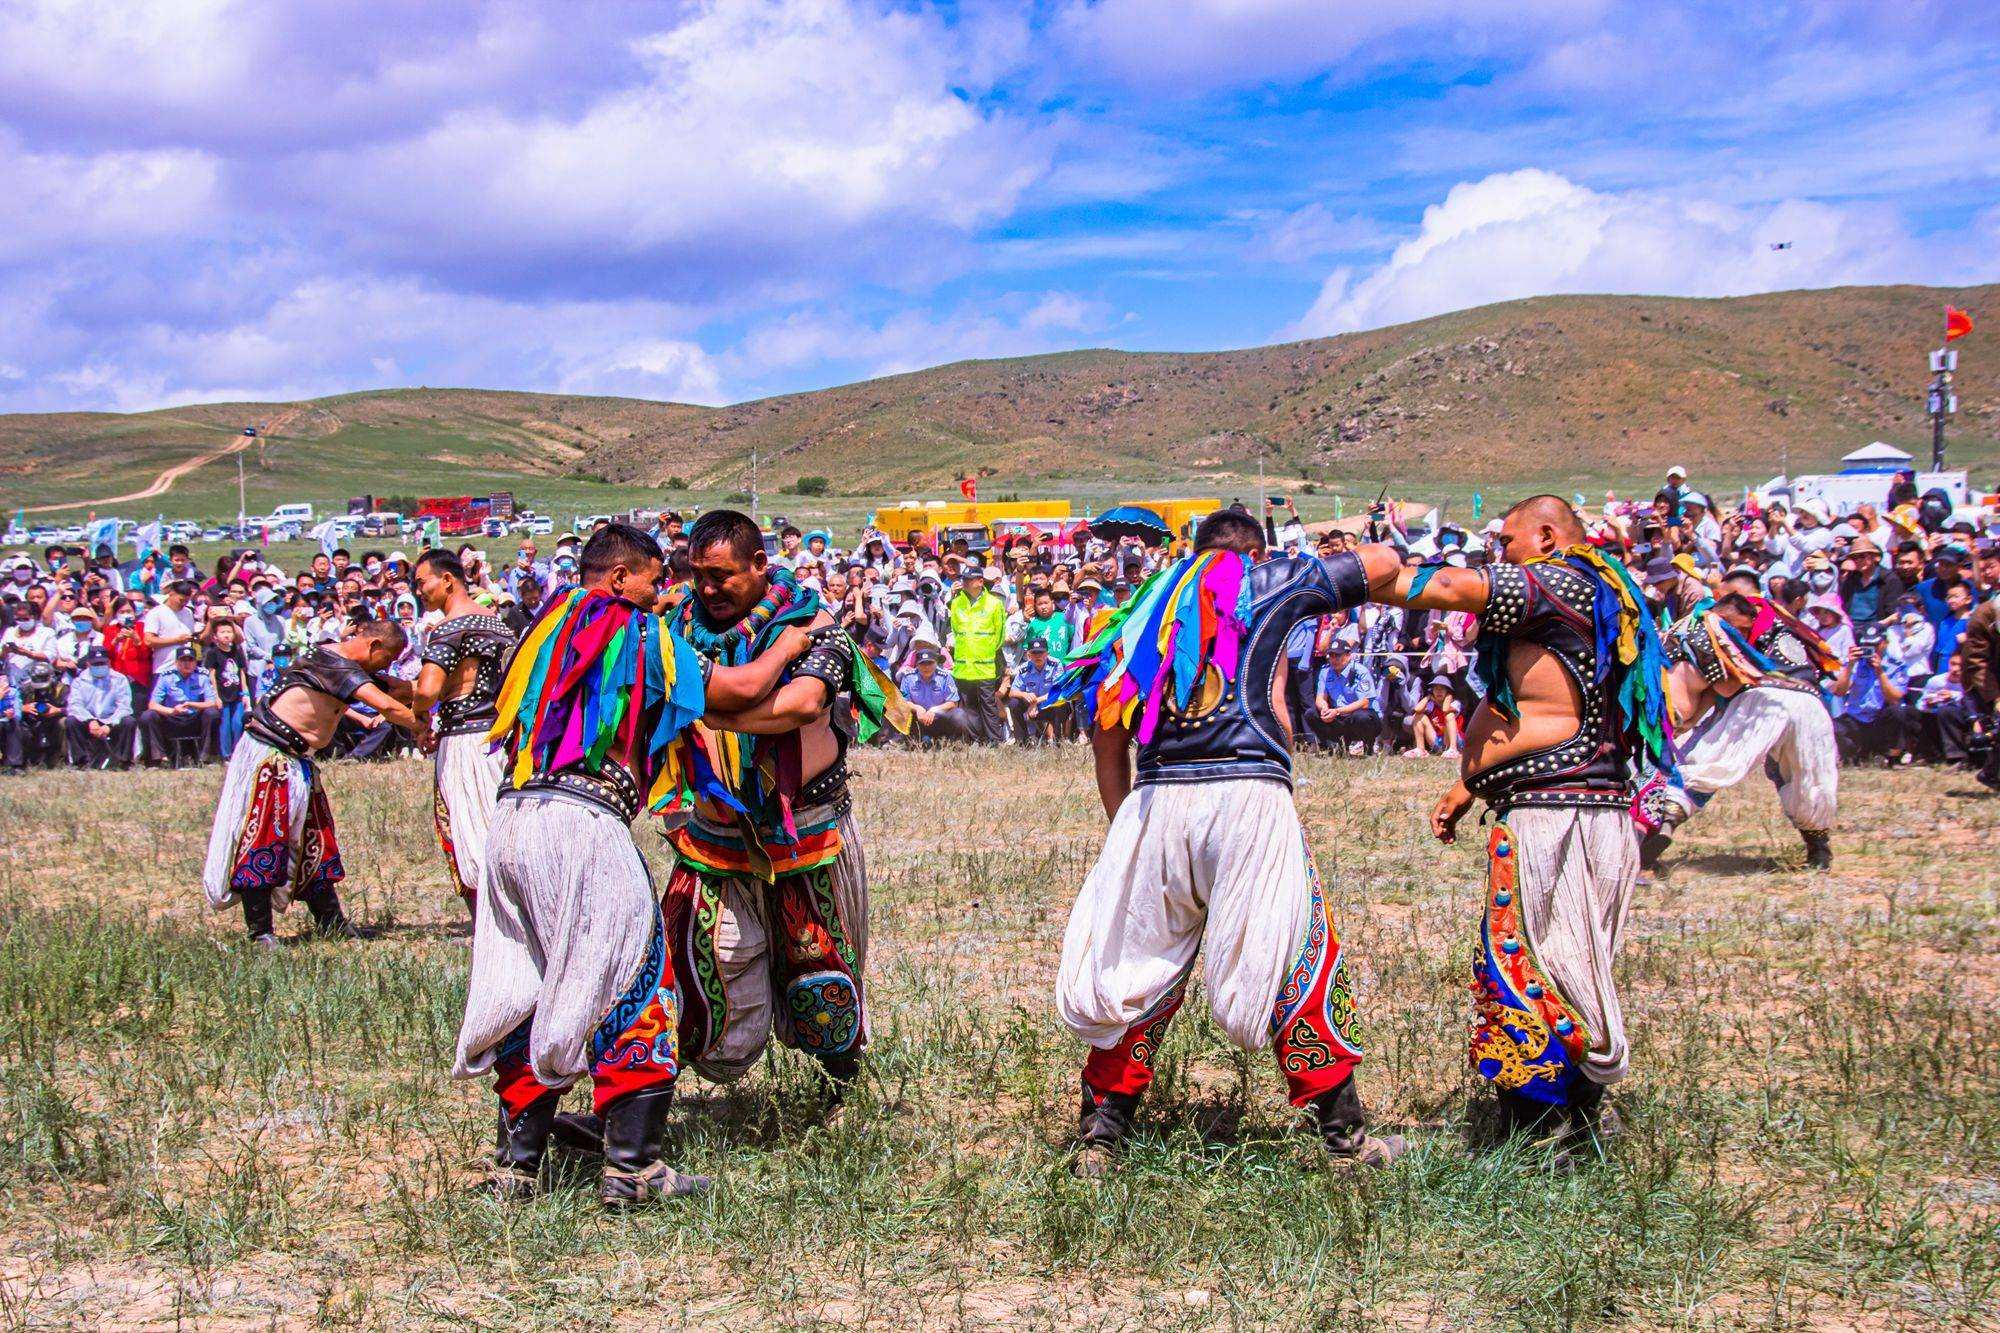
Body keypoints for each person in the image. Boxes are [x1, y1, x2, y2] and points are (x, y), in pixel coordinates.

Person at [452, 523, 809, 1206]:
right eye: (653, 577)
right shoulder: (633, 632)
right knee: (640, 983)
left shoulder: (543, 630)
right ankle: (634, 1166)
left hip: (513, 822)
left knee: (526, 986)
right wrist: (791, 644)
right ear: (619, 578)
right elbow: (733, 690)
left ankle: (515, 1168)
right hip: (583, 824)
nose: (662, 591)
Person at [1047, 509, 1407, 1177]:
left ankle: (1102, 1136)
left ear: (1194, 548)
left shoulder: (1144, 607)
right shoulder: (1268, 581)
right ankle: (1346, 1143)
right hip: (1248, 797)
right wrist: (1315, 564)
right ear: (1256, 549)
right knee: (1296, 958)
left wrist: (1126, 823)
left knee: (1139, 968)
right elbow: (1383, 566)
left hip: (1156, 802)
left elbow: (1105, 728)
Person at [1360, 495, 1676, 1153]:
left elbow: (1442, 586)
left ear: (1548, 535)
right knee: (1570, 964)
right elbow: (1542, 707)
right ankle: (1578, 1120)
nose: (1500, 553)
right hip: (1596, 810)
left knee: (1524, 965)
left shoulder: (1555, 580)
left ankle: (1535, 1131)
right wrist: (1468, 783)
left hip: (1555, 819)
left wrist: (1356, 574)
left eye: (1507, 541)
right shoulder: (1599, 593)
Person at [663, 509, 895, 1126]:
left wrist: (709, 709)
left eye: (722, 575)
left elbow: (803, 703)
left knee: (818, 963)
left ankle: (840, 1091)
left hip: (807, 827)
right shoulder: (673, 628)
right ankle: (644, 1098)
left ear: (761, 566)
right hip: (712, 830)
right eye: (698, 575)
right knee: (687, 962)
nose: (708, 589)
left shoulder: (816, 627)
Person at [200, 620, 421, 947]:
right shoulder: (331, 662)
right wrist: (423, 728)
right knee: (264, 839)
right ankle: (260, 931)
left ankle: (331, 923)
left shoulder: (346, 668)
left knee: (316, 841)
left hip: (295, 762)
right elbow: (387, 705)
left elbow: (399, 689)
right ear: (374, 646)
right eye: (386, 658)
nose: (386, 666)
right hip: (271, 760)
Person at [1644, 591, 1839, 873]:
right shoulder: (1790, 626)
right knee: (1809, 777)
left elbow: (1725, 686)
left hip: (1761, 697)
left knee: (1709, 761)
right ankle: (1818, 849)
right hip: (1812, 704)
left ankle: (1666, 822)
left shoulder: (1715, 626)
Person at [411, 549, 517, 911]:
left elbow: (427, 690)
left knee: (469, 833)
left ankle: (487, 923)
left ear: (447, 580)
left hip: (464, 741)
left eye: (422, 581)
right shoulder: (498, 624)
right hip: (502, 739)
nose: (418, 590)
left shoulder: (449, 628)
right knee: (502, 828)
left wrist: (418, 715)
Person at [946, 565, 1006, 742]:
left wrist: (983, 650)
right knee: (969, 706)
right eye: (963, 579)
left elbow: (1000, 635)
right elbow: (957, 631)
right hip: (964, 666)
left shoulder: (994, 604)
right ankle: (975, 741)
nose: (964, 582)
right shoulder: (957, 603)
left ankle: (994, 741)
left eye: (969, 579)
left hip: (984, 665)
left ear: (980, 581)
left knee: (988, 705)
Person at [144, 644, 221, 765]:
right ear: (176, 662)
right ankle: (158, 758)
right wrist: (172, 711)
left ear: (196, 662)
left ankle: (206, 757)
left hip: (195, 719)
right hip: (173, 718)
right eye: (183, 660)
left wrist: (193, 704)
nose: (187, 664)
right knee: (148, 716)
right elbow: (152, 705)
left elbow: (212, 703)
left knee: (212, 714)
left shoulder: (202, 676)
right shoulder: (166, 677)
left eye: (190, 660)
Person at [63, 645, 136, 769]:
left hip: (112, 719)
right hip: (88, 720)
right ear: (88, 664)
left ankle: (124, 762)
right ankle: (80, 762)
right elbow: (75, 705)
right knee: (71, 721)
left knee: (129, 721)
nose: (99, 666)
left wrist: (110, 724)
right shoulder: (79, 681)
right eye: (95, 664)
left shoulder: (119, 679)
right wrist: (90, 721)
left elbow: (124, 706)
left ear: (109, 662)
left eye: (102, 663)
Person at [1311, 642, 1380, 754]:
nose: (1334, 659)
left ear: (1348, 655)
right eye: (1331, 655)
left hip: (1361, 717)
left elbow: (1365, 703)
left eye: (1337, 655)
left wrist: (1337, 711)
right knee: (1311, 713)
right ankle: (1338, 747)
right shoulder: (1325, 672)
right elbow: (1320, 698)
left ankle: (1369, 748)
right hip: (1340, 717)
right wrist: (1324, 708)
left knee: (1361, 717)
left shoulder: (1360, 671)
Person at [1004, 635, 1069, 744]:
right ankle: (1022, 742)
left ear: (1047, 654)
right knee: (1014, 703)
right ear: (1028, 655)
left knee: (1061, 704)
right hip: (1031, 708)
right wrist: (1024, 695)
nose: (1038, 656)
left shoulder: (1056, 664)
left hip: (1049, 705)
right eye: (1034, 653)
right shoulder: (1024, 669)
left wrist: (1035, 702)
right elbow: (1012, 692)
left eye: (1041, 652)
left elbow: (1058, 691)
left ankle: (1057, 741)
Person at [897, 648, 969, 745]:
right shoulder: (908, 678)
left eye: (930, 663)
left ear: (936, 663)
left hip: (940, 720)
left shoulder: (945, 677)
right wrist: (917, 708)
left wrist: (934, 710)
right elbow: (904, 701)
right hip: (918, 721)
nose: (927, 667)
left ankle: (953, 742)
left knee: (959, 715)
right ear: (917, 665)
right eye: (923, 664)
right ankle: (899, 740)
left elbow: (953, 703)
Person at [203, 619, 252, 759]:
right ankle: (226, 754)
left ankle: (237, 752)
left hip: (237, 694)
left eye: (229, 632)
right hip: (222, 695)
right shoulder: (213, 653)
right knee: (225, 725)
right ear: (215, 636)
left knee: (237, 723)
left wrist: (245, 692)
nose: (226, 635)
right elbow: (212, 675)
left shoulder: (237, 650)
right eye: (222, 632)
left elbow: (242, 672)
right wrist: (216, 696)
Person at [1407, 674, 1462, 757]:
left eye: (1442, 689)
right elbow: (1417, 709)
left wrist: (1449, 697)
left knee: (1449, 715)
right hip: (1438, 741)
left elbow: (1445, 709)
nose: (1439, 691)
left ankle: (1453, 749)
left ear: (1447, 691)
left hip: (1454, 740)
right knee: (1419, 715)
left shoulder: (1455, 703)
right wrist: (1428, 697)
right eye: (1436, 689)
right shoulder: (1432, 704)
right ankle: (1420, 749)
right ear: (1432, 691)